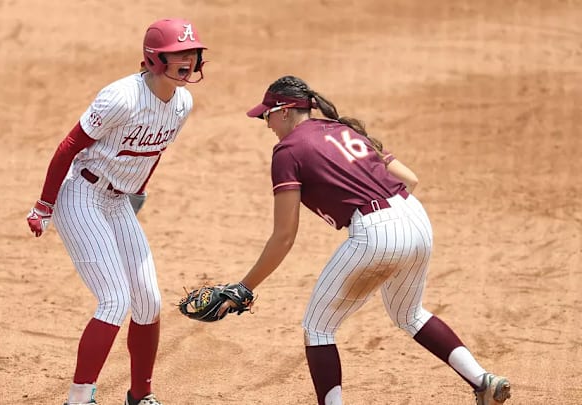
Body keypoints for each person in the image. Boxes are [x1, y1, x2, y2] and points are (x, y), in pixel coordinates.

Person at [219, 75, 511, 405]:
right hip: (415, 217)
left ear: (285, 111)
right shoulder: (345, 129)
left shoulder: (287, 152)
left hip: (375, 231)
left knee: (318, 329)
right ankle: (483, 380)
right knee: (409, 315)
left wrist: (244, 287)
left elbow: (285, 236)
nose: (266, 124)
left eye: (266, 115)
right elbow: (409, 179)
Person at [25, 18, 207, 405]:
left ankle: (141, 396)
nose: (187, 60)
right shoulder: (120, 97)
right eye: (179, 53)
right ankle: (78, 398)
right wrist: (44, 205)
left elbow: (153, 154)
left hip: (117, 201)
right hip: (81, 195)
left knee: (149, 300)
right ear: (155, 57)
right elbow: (68, 146)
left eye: (192, 52)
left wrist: (138, 192)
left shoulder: (182, 104)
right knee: (114, 299)